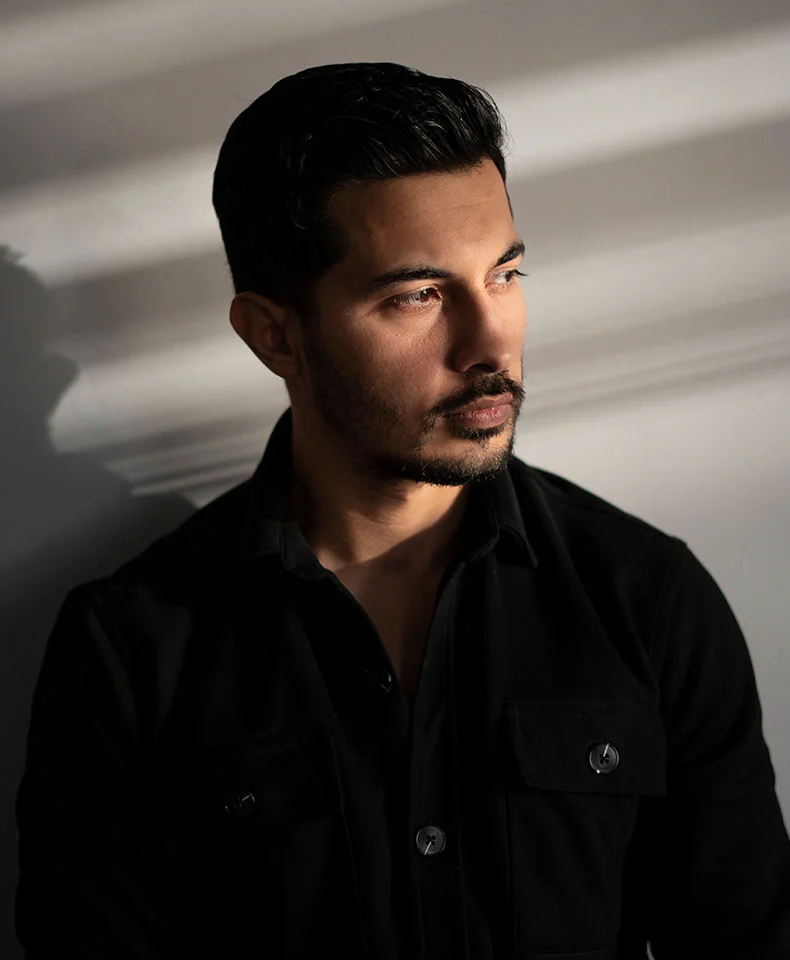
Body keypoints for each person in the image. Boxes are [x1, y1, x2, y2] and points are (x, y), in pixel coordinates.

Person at [15, 62, 790, 960]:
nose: (489, 340)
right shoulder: (131, 649)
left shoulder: (649, 601)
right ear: (275, 335)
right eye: (417, 295)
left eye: (504, 274)